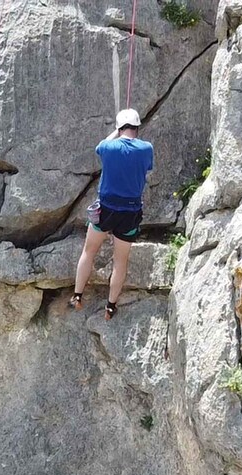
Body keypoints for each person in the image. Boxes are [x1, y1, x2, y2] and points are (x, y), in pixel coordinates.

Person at [69, 108, 154, 319]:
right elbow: (146, 166)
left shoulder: (108, 147)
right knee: (120, 261)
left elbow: (100, 146)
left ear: (119, 127)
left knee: (89, 251)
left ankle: (78, 295)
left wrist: (115, 132)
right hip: (130, 212)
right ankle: (110, 306)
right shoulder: (146, 148)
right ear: (137, 126)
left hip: (106, 209)